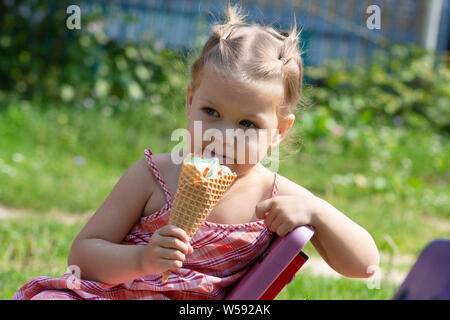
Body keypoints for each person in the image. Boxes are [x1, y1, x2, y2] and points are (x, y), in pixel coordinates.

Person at [12, 4, 379, 300]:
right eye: (211, 112)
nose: (222, 135)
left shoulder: (276, 198)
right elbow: (82, 257)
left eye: (247, 124)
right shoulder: (152, 176)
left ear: (279, 131)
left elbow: (365, 265)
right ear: (190, 101)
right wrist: (142, 259)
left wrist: (317, 210)